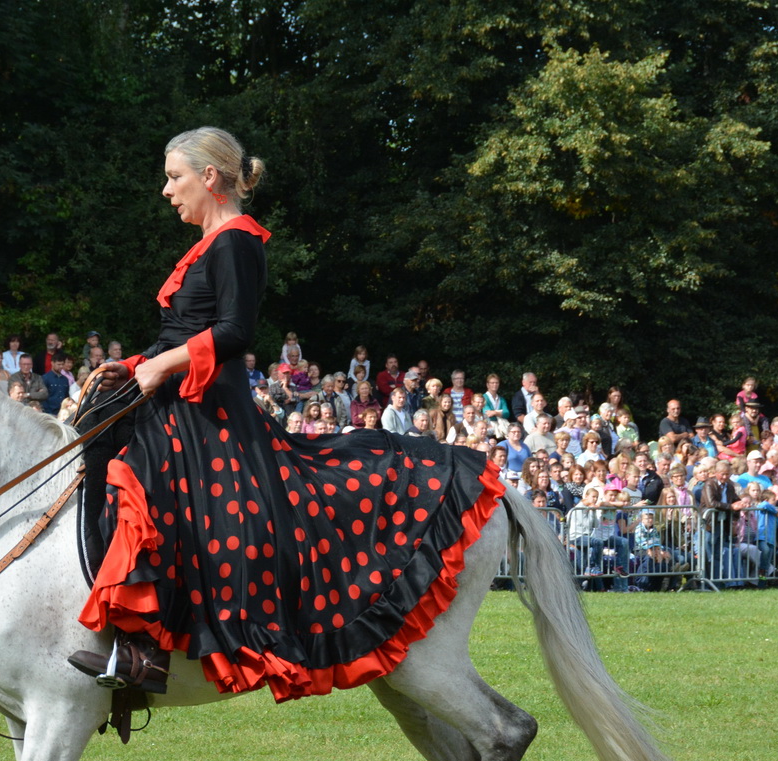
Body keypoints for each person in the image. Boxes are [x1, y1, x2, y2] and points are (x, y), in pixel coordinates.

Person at [70, 127, 504, 706]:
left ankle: (142, 651)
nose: (166, 189)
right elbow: (180, 333)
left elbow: (233, 332)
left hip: (209, 408)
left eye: (175, 177)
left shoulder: (236, 242)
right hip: (180, 392)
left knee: (150, 493)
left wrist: (158, 368)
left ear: (209, 178)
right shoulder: (208, 243)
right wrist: (132, 366)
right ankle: (128, 637)